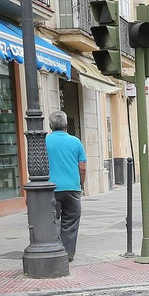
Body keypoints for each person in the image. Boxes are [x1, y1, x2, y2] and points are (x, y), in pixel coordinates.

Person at [45, 110, 86, 261]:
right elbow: (82, 167)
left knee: (52, 221)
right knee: (71, 222)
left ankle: (54, 252)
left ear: (50, 125)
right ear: (66, 125)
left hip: (50, 189)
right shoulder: (76, 142)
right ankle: (68, 254)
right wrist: (81, 184)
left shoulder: (44, 141)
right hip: (72, 188)